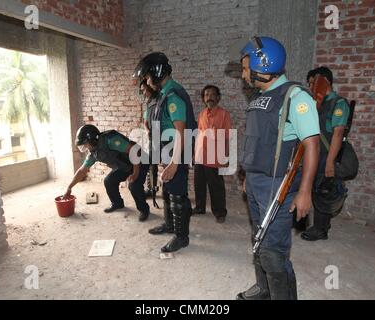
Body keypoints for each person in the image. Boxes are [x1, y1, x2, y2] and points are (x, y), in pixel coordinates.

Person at [235, 36, 320, 300]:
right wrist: (247, 176)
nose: (244, 73)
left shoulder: (295, 97)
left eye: (246, 67)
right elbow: (256, 143)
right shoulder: (261, 97)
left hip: (278, 186)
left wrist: (305, 192)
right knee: (259, 239)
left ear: (263, 66)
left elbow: (313, 144)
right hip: (257, 182)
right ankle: (264, 288)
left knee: (274, 252)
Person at [133, 52, 197, 252]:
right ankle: (170, 225)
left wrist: (174, 163)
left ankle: (181, 237)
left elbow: (182, 132)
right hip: (167, 150)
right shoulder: (163, 93)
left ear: (157, 73)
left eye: (148, 77)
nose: (147, 81)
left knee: (177, 194)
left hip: (175, 152)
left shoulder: (173, 95)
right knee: (168, 190)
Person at [301, 66, 350, 241]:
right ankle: (303, 220)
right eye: (310, 84)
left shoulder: (338, 104)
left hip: (326, 154)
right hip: (312, 151)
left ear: (325, 81)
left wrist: (330, 162)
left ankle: (321, 229)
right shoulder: (315, 102)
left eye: (314, 82)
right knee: (308, 185)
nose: (311, 86)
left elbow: (338, 133)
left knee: (323, 189)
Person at [64, 124, 150, 221]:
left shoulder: (111, 140)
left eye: (86, 144)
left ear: (92, 140)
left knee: (134, 185)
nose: (85, 148)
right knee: (109, 181)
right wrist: (69, 187)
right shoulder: (93, 153)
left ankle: (144, 210)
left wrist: (135, 174)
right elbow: (82, 171)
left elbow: (135, 150)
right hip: (125, 165)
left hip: (140, 161)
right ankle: (117, 203)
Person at [193, 85, 231, 223]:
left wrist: (226, 156)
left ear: (218, 97)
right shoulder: (202, 114)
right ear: (204, 99)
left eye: (212, 94)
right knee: (199, 184)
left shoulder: (224, 114)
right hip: (200, 155)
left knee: (216, 187)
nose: (209, 97)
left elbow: (227, 136)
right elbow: (199, 134)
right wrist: (194, 153)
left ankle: (220, 212)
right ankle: (199, 207)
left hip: (214, 157)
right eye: (206, 95)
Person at [140, 80, 159, 199]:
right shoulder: (148, 102)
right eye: (142, 90)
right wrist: (147, 130)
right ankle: (152, 189)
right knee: (152, 164)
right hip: (153, 136)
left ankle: (172, 191)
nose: (144, 92)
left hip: (165, 136)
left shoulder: (160, 99)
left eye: (145, 89)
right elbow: (145, 121)